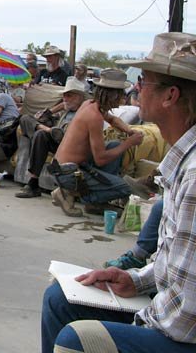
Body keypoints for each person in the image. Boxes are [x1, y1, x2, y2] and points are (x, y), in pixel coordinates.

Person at [41, 31, 196, 353]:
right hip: (72, 173)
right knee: (59, 298)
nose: (136, 88)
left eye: (144, 81)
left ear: (169, 96)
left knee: (77, 338)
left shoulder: (193, 174)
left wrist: (140, 313)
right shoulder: (182, 159)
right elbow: (178, 267)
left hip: (181, 333)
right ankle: (71, 193)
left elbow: (185, 317)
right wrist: (137, 280)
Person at [49, 68, 145, 217]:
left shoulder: (90, 104)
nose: (122, 98)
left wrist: (129, 131)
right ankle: (86, 199)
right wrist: (129, 143)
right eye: (120, 94)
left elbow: (112, 119)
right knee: (125, 187)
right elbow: (100, 159)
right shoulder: (94, 117)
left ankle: (95, 201)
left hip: (67, 167)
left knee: (113, 145)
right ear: (112, 95)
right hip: (68, 172)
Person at [16, 77, 87, 199]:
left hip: (69, 144)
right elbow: (61, 107)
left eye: (69, 96)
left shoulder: (84, 111)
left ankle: (33, 184)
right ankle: (45, 129)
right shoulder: (68, 108)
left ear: (79, 97)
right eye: (64, 95)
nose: (65, 99)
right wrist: (47, 113)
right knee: (25, 119)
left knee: (40, 135)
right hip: (55, 137)